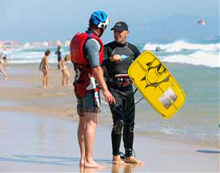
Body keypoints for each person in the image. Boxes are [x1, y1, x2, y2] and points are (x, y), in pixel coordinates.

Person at [70, 11, 115, 168]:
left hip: (79, 85)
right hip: (90, 86)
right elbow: (96, 68)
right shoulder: (93, 42)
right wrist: (106, 89)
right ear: (101, 27)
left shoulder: (79, 39)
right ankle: (89, 159)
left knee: (82, 121)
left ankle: (83, 158)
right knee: (91, 122)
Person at [103, 21, 144, 165]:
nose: (117, 34)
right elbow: (99, 69)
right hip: (114, 89)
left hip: (128, 90)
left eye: (120, 31)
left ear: (127, 32)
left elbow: (143, 67)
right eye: (115, 31)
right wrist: (109, 60)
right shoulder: (108, 49)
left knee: (130, 123)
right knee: (118, 121)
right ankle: (115, 155)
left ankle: (128, 154)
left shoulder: (132, 50)